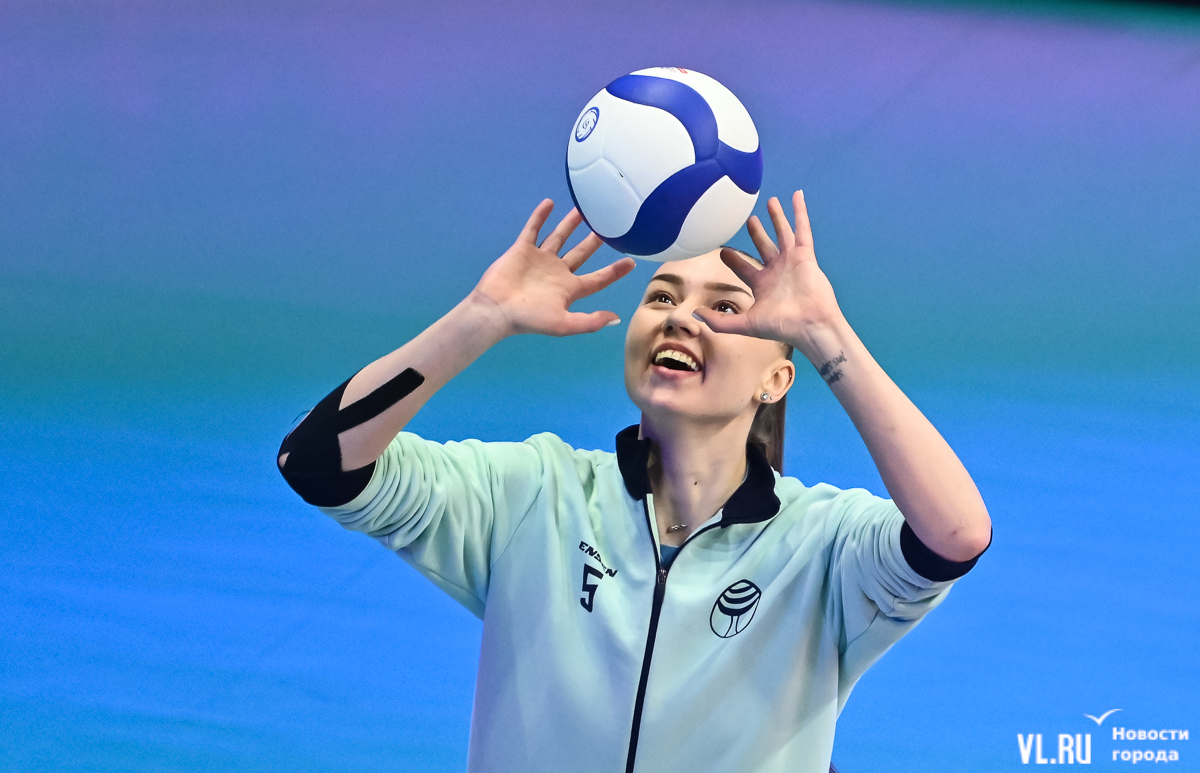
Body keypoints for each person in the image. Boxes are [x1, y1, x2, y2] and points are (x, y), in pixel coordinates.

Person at [276, 191, 992, 773]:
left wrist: (825, 331)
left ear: (776, 379)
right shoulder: (534, 493)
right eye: (662, 297)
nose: (681, 317)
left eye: (724, 307)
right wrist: (481, 318)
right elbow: (314, 461)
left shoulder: (821, 544)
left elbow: (955, 534)